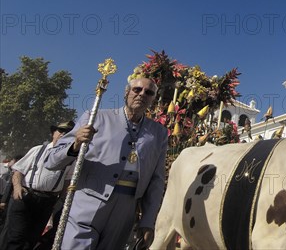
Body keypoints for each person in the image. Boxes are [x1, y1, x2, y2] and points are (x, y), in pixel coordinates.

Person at [46, 77, 168, 250]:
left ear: (153, 99)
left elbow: (156, 180)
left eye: (149, 92)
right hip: (87, 201)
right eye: (137, 90)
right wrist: (76, 144)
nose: (142, 94)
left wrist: (148, 220)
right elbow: (51, 160)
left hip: (126, 211)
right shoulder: (96, 117)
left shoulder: (159, 133)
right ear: (127, 92)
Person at [0, 121, 74, 250]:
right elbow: (18, 171)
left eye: (67, 133)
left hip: (47, 202)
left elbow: (67, 182)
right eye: (60, 131)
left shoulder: (70, 158)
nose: (63, 134)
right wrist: (17, 188)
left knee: (31, 239)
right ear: (53, 133)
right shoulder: (38, 150)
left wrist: (60, 202)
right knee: (15, 237)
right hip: (26, 197)